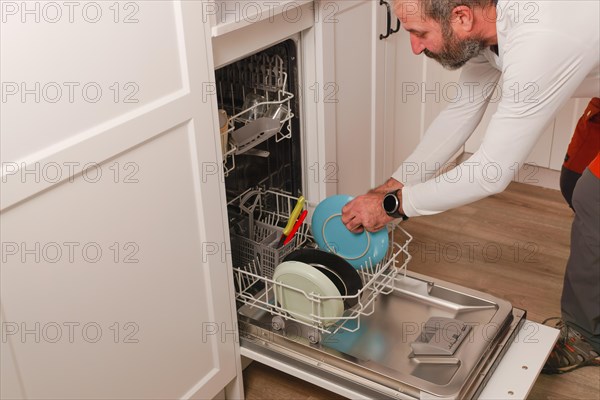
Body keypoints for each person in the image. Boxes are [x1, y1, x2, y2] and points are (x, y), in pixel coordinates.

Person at [341, 0, 599, 374]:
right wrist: (392, 186)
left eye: (419, 33)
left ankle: (588, 337)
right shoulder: (485, 32)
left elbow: (491, 171)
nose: (414, 47)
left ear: (461, 17)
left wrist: (394, 205)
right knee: (574, 182)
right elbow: (461, 111)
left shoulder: (539, 42)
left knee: (593, 197)